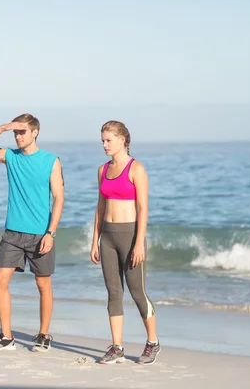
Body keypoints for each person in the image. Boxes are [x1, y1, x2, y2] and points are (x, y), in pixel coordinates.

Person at [0, 113, 64, 353]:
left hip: (40, 234)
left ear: (35, 132)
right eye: (15, 132)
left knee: (43, 285)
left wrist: (50, 233)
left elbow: (59, 198)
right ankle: (6, 336)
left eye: (22, 131)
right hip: (12, 233)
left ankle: (43, 335)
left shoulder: (51, 160)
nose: (18, 136)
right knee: (0, 281)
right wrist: (1, 128)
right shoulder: (10, 156)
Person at [90, 120, 160, 365]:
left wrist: (139, 242)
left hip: (130, 236)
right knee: (113, 293)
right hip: (107, 237)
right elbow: (100, 208)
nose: (105, 145)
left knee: (137, 291)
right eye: (103, 141)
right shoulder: (102, 170)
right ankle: (117, 346)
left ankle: (152, 342)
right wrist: (94, 240)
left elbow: (143, 209)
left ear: (122, 139)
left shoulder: (136, 169)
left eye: (108, 140)